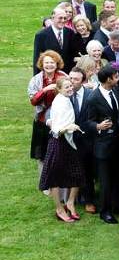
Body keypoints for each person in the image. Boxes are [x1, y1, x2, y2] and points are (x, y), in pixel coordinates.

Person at [39, 77, 86, 223]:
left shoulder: (66, 99)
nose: (70, 88)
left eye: (71, 85)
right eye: (66, 87)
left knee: (77, 173)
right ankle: (59, 209)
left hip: (69, 142)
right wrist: (68, 127)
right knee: (55, 176)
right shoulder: (59, 102)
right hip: (59, 143)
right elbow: (55, 128)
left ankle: (70, 203)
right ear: (58, 89)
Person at [82, 65, 119, 224]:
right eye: (115, 76)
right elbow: (87, 122)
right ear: (108, 79)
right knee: (106, 181)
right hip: (103, 146)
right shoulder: (93, 98)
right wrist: (98, 126)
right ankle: (105, 211)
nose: (118, 78)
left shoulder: (116, 91)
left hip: (118, 143)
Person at [29, 50, 68, 176]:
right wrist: (45, 90)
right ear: (42, 64)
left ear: (57, 64)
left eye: (52, 62)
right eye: (46, 62)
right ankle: (44, 180)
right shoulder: (36, 80)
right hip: (42, 120)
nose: (49, 65)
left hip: (60, 118)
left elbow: (69, 94)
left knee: (60, 150)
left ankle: (60, 177)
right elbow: (33, 101)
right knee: (42, 153)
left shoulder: (63, 77)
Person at [33, 7, 80, 73]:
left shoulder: (70, 33)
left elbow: (74, 55)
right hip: (49, 73)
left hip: (67, 74)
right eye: (60, 18)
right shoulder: (41, 35)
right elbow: (37, 58)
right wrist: (37, 79)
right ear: (53, 18)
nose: (63, 20)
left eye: (65, 18)